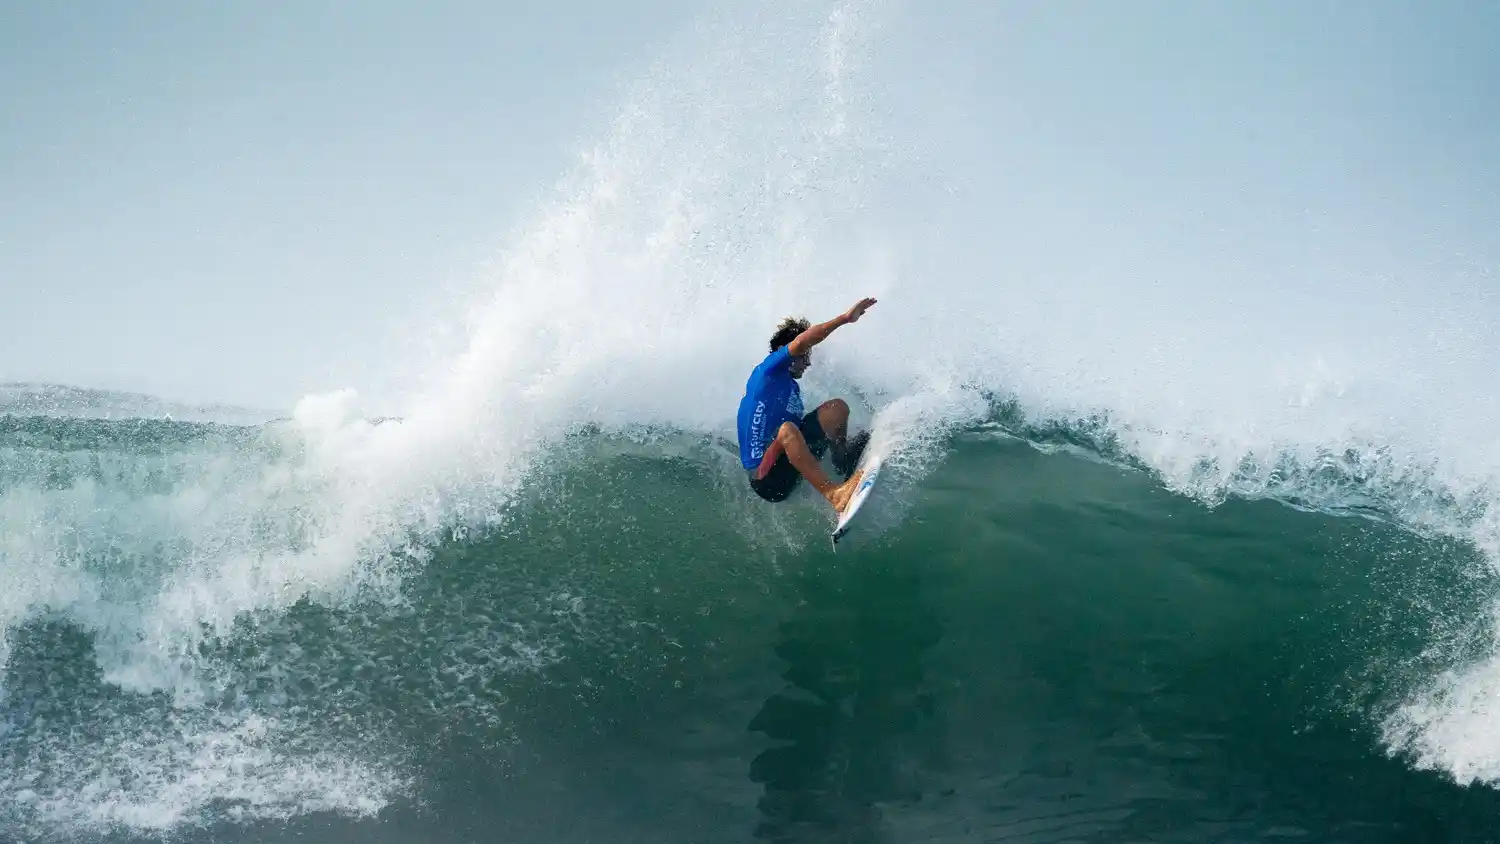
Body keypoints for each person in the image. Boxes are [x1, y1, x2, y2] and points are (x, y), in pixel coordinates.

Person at [737, 297, 876, 512]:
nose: (808, 363)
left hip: (788, 463)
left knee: (836, 409)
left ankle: (844, 461)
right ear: (787, 352)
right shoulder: (768, 371)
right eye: (804, 356)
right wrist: (844, 319)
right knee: (787, 430)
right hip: (766, 478)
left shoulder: (792, 389)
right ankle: (834, 495)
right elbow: (802, 342)